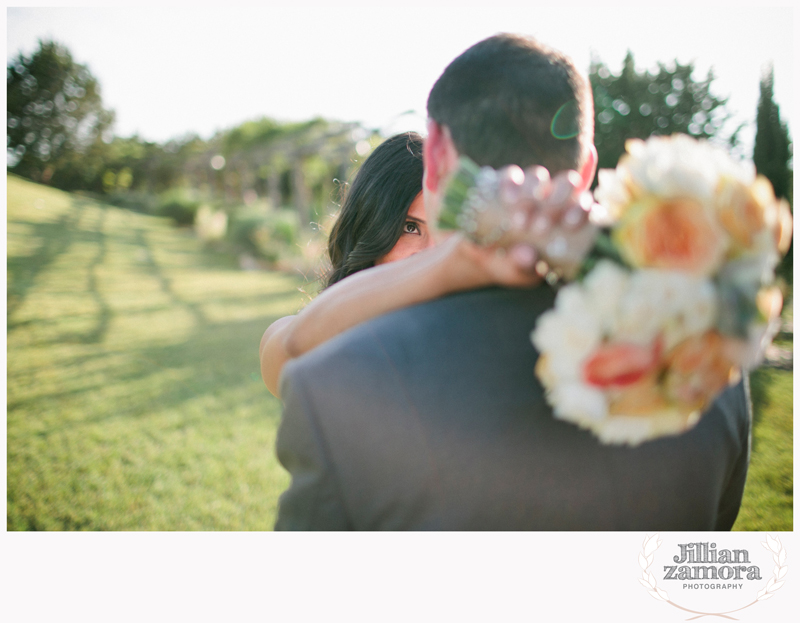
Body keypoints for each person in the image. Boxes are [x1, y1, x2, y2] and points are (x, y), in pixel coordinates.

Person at [274, 34, 751, 530]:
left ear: (434, 156)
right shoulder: (708, 371)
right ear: (587, 166)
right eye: (407, 230)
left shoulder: (336, 385)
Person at [260, 131, 589, 397]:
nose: (432, 251)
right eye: (411, 227)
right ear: (370, 227)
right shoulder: (308, 333)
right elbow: (289, 351)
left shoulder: (492, 336)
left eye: (451, 232)